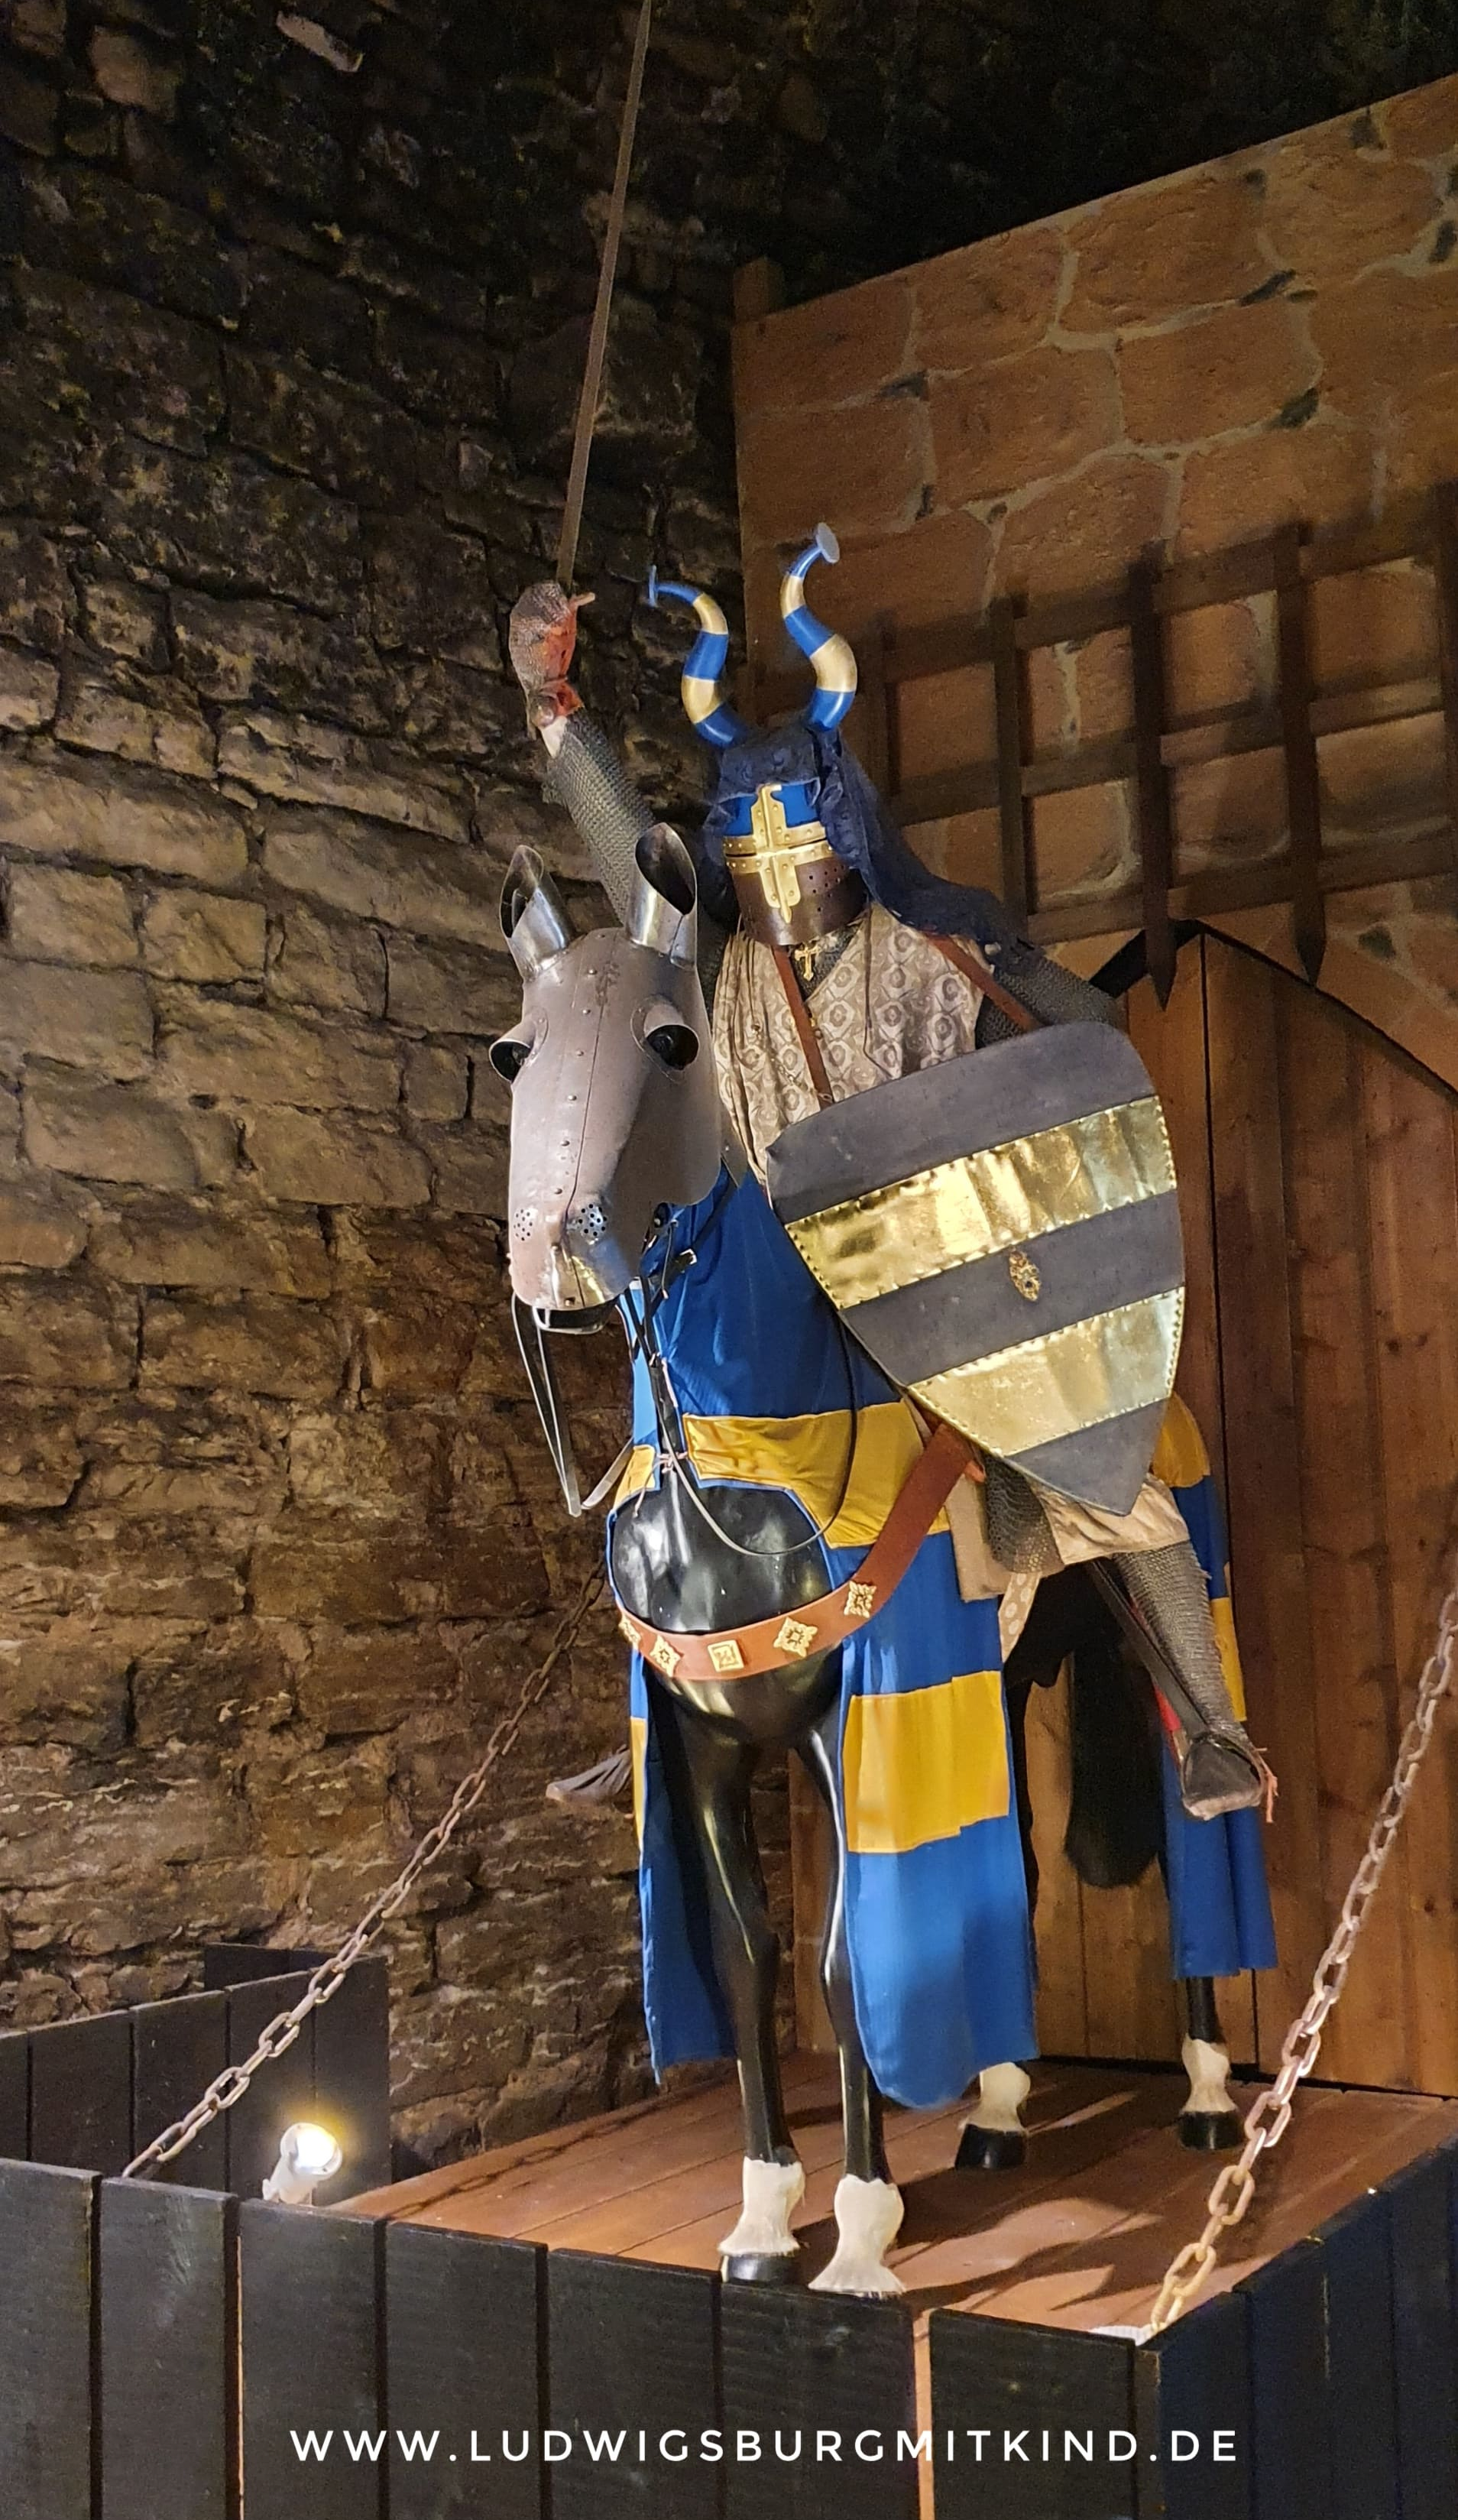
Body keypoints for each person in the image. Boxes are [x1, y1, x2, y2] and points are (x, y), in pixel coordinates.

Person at [507, 536, 1273, 1826]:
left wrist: (1005, 973)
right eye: (745, 843)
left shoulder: (929, 950)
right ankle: (653, 1707)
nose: (770, 869)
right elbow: (626, 850)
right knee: (658, 1454)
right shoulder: (718, 965)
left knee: (1106, 1482)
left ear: (844, 834)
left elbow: (1078, 1048)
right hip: (766, 1264)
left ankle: (1211, 1728)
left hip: (929, 1276)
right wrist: (552, 702)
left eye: (791, 836)